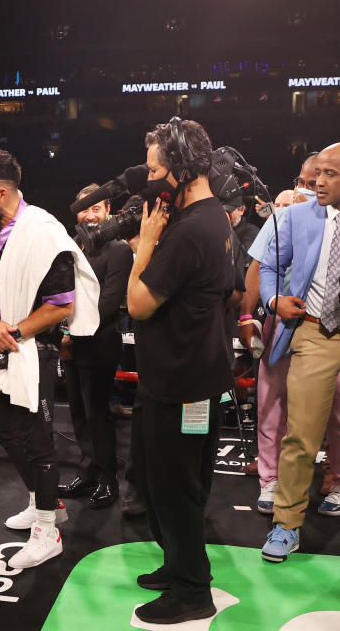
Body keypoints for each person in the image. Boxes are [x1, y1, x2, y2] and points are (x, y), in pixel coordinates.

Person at [0, 149, 100, 569]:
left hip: (32, 350)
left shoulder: (44, 233)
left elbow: (62, 305)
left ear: (1, 191)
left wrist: (15, 331)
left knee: (37, 440)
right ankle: (45, 503)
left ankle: (48, 531)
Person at [127, 118, 235, 624]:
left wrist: (146, 244)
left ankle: (193, 591)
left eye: (155, 169)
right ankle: (177, 564)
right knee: (158, 482)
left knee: (177, 489)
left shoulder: (191, 228)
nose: (149, 179)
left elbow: (138, 304)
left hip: (184, 382)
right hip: (179, 376)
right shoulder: (211, 218)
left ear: (181, 168)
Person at [257, 142, 340, 569]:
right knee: (299, 437)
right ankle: (287, 525)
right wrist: (273, 300)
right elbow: (269, 267)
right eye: (316, 174)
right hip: (310, 333)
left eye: (328, 174)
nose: (317, 182)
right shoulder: (294, 216)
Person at [239, 170, 340, 517]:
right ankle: (271, 477)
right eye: (305, 180)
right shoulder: (283, 218)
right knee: (271, 402)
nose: (307, 187)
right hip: (284, 318)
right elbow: (257, 270)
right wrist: (249, 316)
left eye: (315, 180)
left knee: (339, 407)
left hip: (333, 322)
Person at [58, 184, 132, 509]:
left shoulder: (118, 249)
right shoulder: (74, 245)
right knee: (77, 412)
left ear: (108, 213)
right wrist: (62, 332)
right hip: (71, 342)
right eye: (84, 208)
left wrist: (71, 333)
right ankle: (87, 472)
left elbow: (109, 303)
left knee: (98, 415)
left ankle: (108, 479)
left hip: (99, 343)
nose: (90, 215)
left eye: (96, 209)